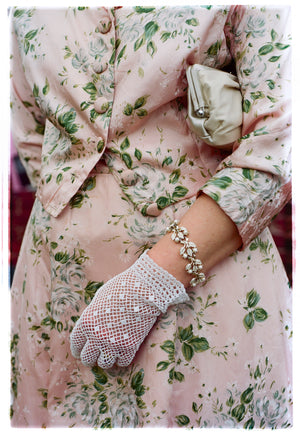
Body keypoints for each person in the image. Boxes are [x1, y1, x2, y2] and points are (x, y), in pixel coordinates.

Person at [10, 4, 292, 428]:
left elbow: (279, 143)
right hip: (56, 290)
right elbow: (33, 132)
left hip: (200, 289)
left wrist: (150, 284)